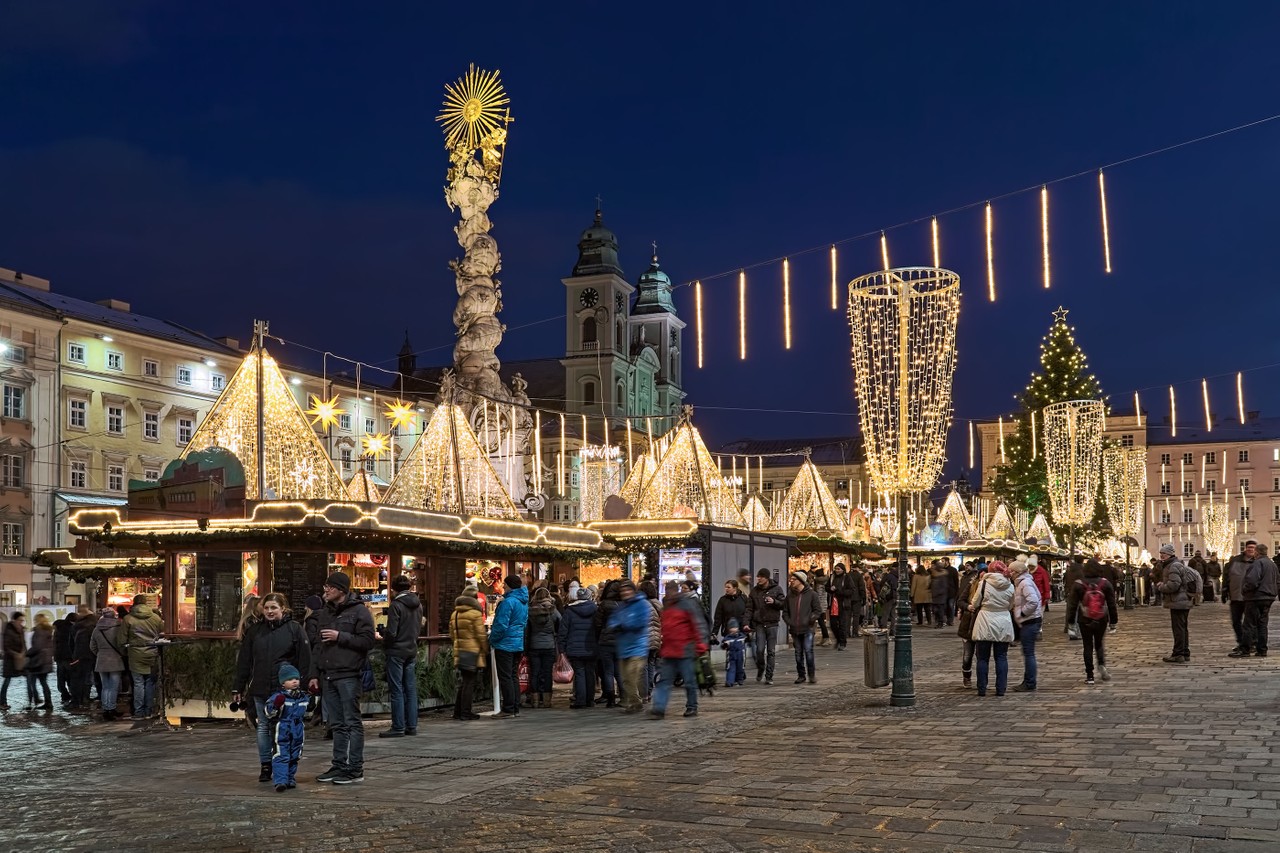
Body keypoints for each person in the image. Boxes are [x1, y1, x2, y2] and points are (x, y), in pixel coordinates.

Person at [233, 592, 311, 782]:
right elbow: (245, 661)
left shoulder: (294, 629)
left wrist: (303, 684)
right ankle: (265, 765)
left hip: (284, 689)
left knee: (284, 727)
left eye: (273, 608)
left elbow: (305, 658)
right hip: (260, 686)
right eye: (266, 607)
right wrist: (238, 687)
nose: (269, 611)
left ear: (283, 609)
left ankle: (283, 765)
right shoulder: (255, 631)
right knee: (264, 726)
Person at [309, 571, 376, 785]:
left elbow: (367, 641)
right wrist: (314, 674)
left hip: (348, 674)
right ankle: (338, 765)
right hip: (328, 675)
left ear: (341, 589)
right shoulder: (325, 613)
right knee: (336, 724)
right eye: (325, 586)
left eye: (330, 586)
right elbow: (318, 646)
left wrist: (341, 637)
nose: (325, 590)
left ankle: (355, 768)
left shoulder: (359, 612)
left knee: (352, 722)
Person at [648, 582, 709, 719]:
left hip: (685, 649)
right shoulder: (668, 607)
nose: (669, 593)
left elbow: (698, 625)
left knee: (689, 681)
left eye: (670, 590)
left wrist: (700, 646)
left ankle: (691, 706)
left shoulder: (686, 605)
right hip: (670, 651)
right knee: (665, 681)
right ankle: (659, 708)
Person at [379, 575, 422, 737]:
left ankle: (398, 727)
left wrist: (384, 638)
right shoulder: (418, 604)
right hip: (411, 649)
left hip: (396, 651)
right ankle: (411, 726)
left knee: (396, 689)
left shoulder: (396, 604)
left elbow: (391, 632)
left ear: (393, 589)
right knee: (410, 689)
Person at [1067, 560, 1118, 684]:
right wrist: (1113, 622)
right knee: (1099, 643)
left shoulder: (1078, 584)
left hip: (1084, 618)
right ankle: (1101, 665)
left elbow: (1072, 605)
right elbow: (1112, 604)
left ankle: (1090, 676)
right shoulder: (1105, 583)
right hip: (1101, 618)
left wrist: (1070, 622)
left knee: (1087, 645)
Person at [969, 561, 1015, 697]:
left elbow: (975, 602)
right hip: (1003, 620)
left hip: (985, 620)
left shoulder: (984, 583)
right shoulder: (1010, 585)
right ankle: (1001, 688)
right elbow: (1012, 604)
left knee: (982, 658)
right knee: (1001, 657)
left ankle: (982, 688)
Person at [488, 575, 529, 719]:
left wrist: (492, 639)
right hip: (517, 643)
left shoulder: (508, 602)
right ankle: (515, 707)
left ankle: (508, 708)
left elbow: (501, 625)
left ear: (510, 585)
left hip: (505, 644)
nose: (503, 587)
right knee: (513, 676)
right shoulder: (523, 602)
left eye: (505, 584)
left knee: (505, 676)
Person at [265, 664, 309, 792]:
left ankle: (290, 778)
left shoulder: (302, 696)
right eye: (290, 679)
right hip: (283, 728)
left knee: (295, 754)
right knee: (281, 754)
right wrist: (276, 706)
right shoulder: (279, 696)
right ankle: (280, 781)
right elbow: (269, 713)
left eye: (296, 679)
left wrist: (312, 698)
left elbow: (308, 708)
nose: (294, 681)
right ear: (283, 683)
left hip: (298, 728)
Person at [1231, 540, 1279, 657]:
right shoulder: (1272, 564)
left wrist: (1245, 590)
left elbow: (1252, 580)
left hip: (1256, 597)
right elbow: (1277, 580)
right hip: (1268, 597)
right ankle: (1262, 649)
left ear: (1257, 552)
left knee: (1249, 624)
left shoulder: (1258, 563)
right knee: (1262, 624)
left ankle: (1245, 649)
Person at [120, 594, 163, 721]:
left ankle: (139, 712)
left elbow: (121, 639)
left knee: (138, 683)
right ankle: (148, 711)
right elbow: (162, 633)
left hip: (135, 653)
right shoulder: (155, 618)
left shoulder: (128, 619)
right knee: (150, 683)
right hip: (152, 652)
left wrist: (124, 652)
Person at [613, 579, 651, 712]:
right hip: (623, 647)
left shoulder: (642, 604)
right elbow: (613, 620)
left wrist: (624, 624)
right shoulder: (622, 607)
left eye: (628, 590)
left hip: (638, 647)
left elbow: (640, 623)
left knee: (631, 675)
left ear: (633, 591)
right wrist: (614, 625)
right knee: (625, 679)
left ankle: (637, 701)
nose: (625, 593)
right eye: (623, 590)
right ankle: (635, 702)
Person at [448, 589, 487, 721]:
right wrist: (485, 648)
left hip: (460, 650)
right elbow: (481, 635)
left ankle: (458, 711)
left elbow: (452, 635)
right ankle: (466, 712)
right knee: (469, 682)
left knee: (464, 682)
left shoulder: (455, 614)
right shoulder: (475, 614)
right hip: (472, 651)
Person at [558, 588, 598, 709]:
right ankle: (590, 700)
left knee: (579, 673)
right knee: (590, 673)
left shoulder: (569, 611)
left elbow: (563, 631)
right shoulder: (596, 610)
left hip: (574, 647)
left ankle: (580, 700)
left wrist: (561, 648)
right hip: (592, 647)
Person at [744, 569, 785, 684]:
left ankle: (769, 676)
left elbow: (783, 604)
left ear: (767, 578)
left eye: (761, 577)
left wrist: (774, 602)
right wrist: (746, 623)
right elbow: (749, 609)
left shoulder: (777, 589)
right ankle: (761, 668)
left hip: (772, 623)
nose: (759, 579)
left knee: (771, 651)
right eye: (758, 577)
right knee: (759, 650)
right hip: (760, 624)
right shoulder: (754, 591)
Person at [1008, 560, 1044, 692]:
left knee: (1028, 653)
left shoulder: (1025, 583)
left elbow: (1033, 601)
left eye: (1011, 571)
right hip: (1029, 620)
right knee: (1028, 652)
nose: (1010, 573)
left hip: (1030, 621)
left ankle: (1030, 682)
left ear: (1018, 572)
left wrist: (1022, 613)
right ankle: (1028, 680)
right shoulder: (1022, 583)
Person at [1155, 544, 1193, 663]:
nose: (1162, 555)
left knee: (1178, 628)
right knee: (1182, 628)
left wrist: (1162, 586)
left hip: (1178, 601)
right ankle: (1184, 652)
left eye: (1164, 553)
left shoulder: (1173, 566)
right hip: (1182, 600)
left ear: (1170, 554)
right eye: (1161, 553)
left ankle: (1178, 654)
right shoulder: (1175, 564)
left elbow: (1174, 585)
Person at [524, 587, 560, 708]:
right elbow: (560, 623)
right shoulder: (553, 611)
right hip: (549, 645)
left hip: (534, 645)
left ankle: (534, 700)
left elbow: (527, 631)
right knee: (547, 673)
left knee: (535, 673)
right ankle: (546, 701)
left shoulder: (530, 611)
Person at [784, 571, 821, 684]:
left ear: (801, 581)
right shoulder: (790, 595)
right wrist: (789, 621)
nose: (791, 581)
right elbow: (785, 611)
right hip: (795, 629)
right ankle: (801, 675)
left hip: (807, 628)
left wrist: (811, 619)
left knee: (808, 651)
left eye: (793, 579)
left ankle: (811, 674)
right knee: (798, 653)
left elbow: (818, 610)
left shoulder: (811, 594)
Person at [90, 607, 126, 720]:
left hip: (101, 659)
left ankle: (106, 709)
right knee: (114, 687)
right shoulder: (118, 627)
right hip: (115, 659)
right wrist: (121, 653)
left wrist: (100, 654)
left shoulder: (97, 629)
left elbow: (92, 646)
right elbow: (122, 643)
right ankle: (111, 708)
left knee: (105, 686)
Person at [593, 580, 622, 709]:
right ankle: (624, 695)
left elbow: (597, 623)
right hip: (620, 641)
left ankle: (610, 698)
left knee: (608, 671)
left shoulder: (604, 604)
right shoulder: (624, 604)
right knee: (619, 671)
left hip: (605, 641)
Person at [67, 606, 98, 712]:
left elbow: (71, 643)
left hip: (80, 655)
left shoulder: (77, 626)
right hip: (95, 655)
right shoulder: (97, 622)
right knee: (95, 678)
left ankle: (77, 701)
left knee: (78, 678)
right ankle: (87, 698)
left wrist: (74, 655)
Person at [957, 561, 980, 687]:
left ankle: (982, 679)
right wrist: (967, 607)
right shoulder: (970, 585)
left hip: (982, 624)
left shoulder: (989, 589)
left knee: (980, 655)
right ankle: (967, 676)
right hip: (968, 624)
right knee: (967, 655)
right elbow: (960, 600)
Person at [25, 613, 54, 711]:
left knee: (34, 681)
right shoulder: (48, 630)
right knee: (43, 682)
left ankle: (42, 702)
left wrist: (27, 653)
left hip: (38, 660)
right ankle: (47, 702)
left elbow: (37, 646)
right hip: (45, 660)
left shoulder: (39, 631)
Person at [826, 563, 857, 649]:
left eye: (839, 569)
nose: (837, 570)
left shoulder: (847, 578)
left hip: (843, 603)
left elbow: (852, 590)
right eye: (836, 569)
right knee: (833, 624)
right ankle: (838, 639)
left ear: (843, 570)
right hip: (832, 603)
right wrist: (830, 589)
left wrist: (840, 591)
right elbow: (826, 587)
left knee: (842, 624)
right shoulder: (832, 577)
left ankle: (842, 642)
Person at [1, 612, 26, 710]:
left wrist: (24, 652)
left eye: (22, 620)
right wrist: (16, 654)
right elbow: (6, 646)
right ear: (15, 620)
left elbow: (23, 643)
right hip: (10, 660)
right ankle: (2, 702)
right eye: (20, 620)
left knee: (29, 676)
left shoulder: (21, 630)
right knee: (7, 681)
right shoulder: (8, 630)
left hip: (21, 659)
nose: (21, 622)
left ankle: (34, 700)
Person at [52, 611, 77, 706]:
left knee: (61, 677)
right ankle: (73, 696)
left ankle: (64, 695)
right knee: (71, 677)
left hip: (59, 656)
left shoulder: (58, 628)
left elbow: (54, 642)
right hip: (69, 656)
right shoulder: (72, 628)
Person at [720, 619, 747, 687]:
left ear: (737, 628)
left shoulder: (741, 636)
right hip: (731, 655)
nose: (733, 629)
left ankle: (740, 679)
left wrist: (749, 634)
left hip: (740, 655)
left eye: (735, 627)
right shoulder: (728, 638)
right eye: (732, 628)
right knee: (731, 668)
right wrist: (725, 645)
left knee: (740, 668)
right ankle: (730, 681)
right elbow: (723, 645)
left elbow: (747, 638)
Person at [1063, 556, 1085, 638]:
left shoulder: (1069, 570)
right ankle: (1076, 631)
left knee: (1071, 611)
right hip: (1079, 592)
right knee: (1080, 612)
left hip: (1070, 592)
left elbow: (1066, 581)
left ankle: (1069, 629)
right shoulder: (1082, 570)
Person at [929, 561, 950, 630]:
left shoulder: (942, 576)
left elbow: (944, 587)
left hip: (940, 596)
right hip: (935, 596)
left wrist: (938, 593)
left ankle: (940, 623)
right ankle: (938, 622)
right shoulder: (934, 575)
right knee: (935, 610)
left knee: (939, 610)